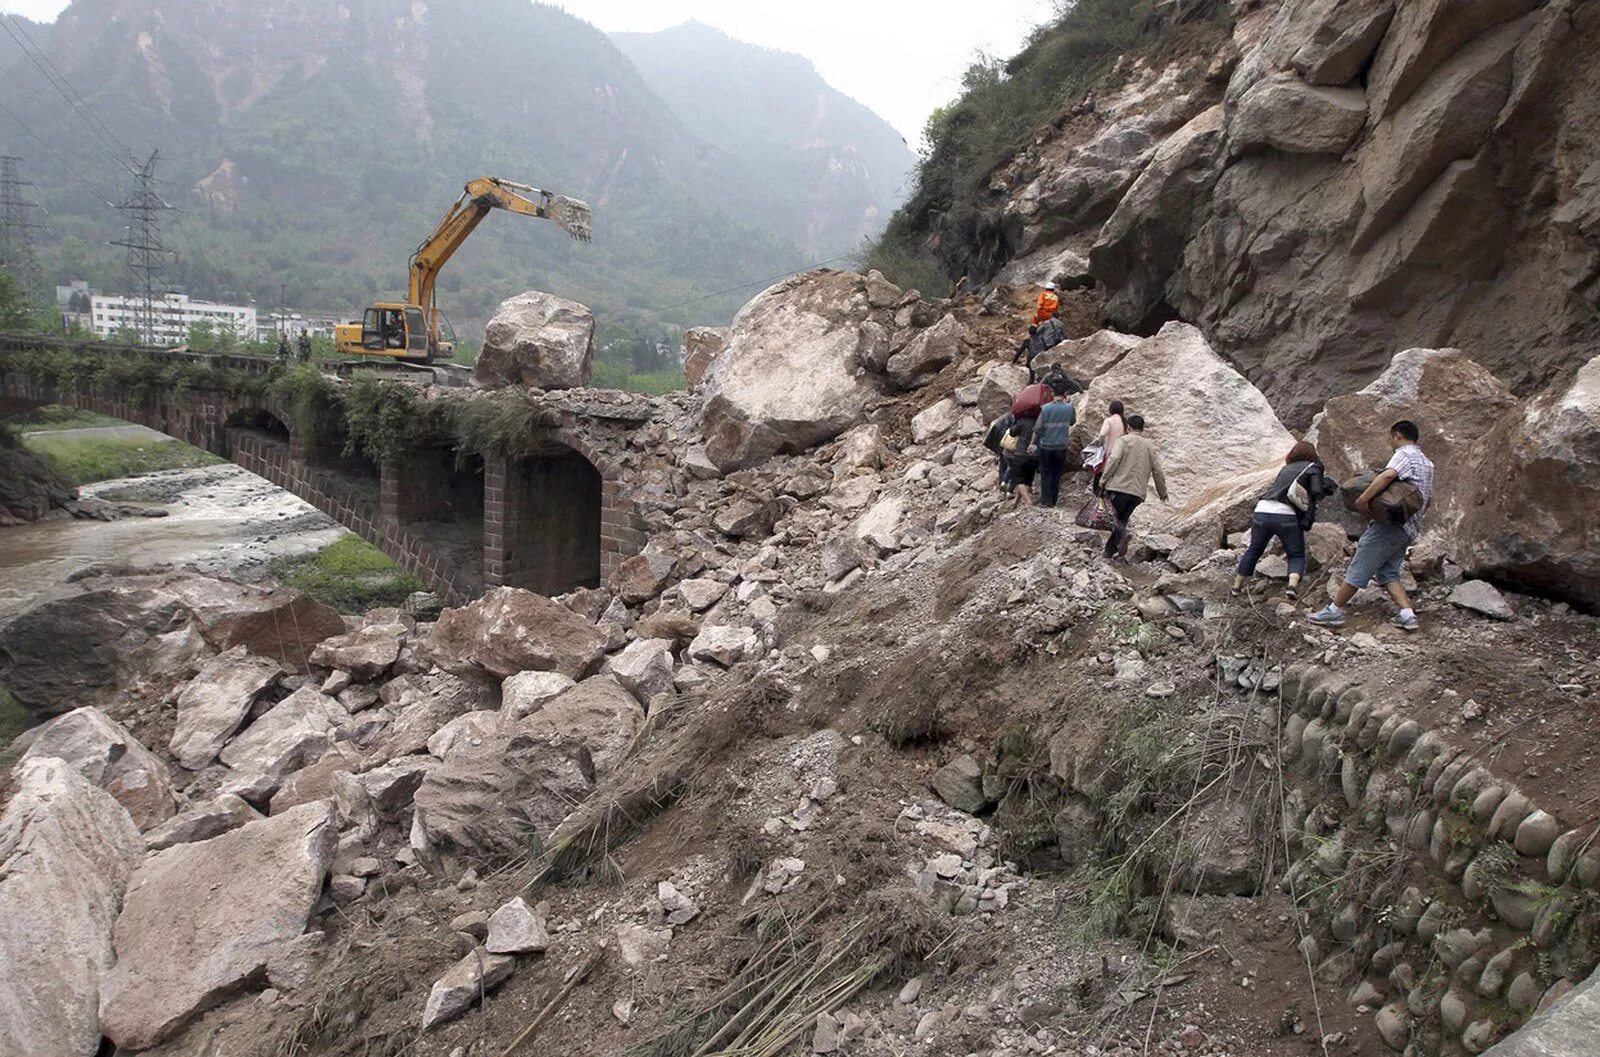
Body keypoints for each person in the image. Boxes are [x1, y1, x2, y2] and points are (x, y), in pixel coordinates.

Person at [1309, 420, 1435, 632]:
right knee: (1388, 573)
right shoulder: (1427, 463)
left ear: (1397, 435)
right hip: (1409, 528)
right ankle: (1407, 614)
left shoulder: (1405, 454)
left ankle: (1334, 611)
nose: (1390, 442)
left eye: (1391, 438)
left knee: (1360, 564)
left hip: (1390, 525)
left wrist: (1363, 500)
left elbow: (1388, 475)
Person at [1232, 441, 1338, 600]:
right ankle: (1292, 586)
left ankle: (1236, 586)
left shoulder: (1285, 468)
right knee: (1295, 554)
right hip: (1286, 514)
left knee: (1254, 550)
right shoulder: (1314, 467)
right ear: (1312, 455)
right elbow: (1315, 490)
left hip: (1262, 510)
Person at [1098, 414, 1167, 561]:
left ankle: (1122, 536)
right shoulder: (1150, 446)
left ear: (1128, 427)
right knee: (1122, 519)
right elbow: (1158, 471)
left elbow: (1114, 459)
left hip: (1119, 487)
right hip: (1137, 493)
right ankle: (1108, 552)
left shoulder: (1123, 440)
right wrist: (1162, 492)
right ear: (1143, 429)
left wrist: (1103, 479)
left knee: (1113, 518)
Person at [1031, 382, 1076, 508]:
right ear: (1065, 394)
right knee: (1057, 473)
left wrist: (1031, 443)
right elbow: (1072, 422)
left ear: (1052, 393)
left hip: (1046, 445)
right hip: (1062, 445)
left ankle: (1046, 501)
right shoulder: (1070, 408)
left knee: (1046, 473)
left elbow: (1038, 428)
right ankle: (1054, 499)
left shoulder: (1045, 408)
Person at [1088, 400, 1127, 494]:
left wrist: (1099, 444)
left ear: (1111, 409)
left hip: (1108, 454)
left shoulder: (1108, 421)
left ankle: (1098, 501)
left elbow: (1102, 435)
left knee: (1100, 477)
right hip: (1121, 453)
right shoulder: (1125, 422)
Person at [1001, 414, 1039, 506]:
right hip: (1034, 455)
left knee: (1018, 480)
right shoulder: (1039, 421)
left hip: (1021, 454)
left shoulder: (1022, 421)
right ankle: (1015, 502)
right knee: (1027, 481)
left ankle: (1028, 501)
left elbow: (1012, 432)